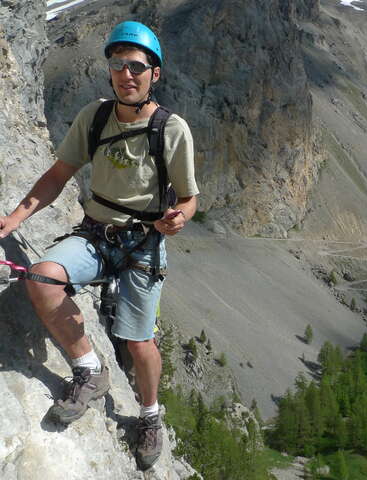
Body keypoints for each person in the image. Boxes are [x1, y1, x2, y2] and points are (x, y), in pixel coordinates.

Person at [0, 21, 198, 470]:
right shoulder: (95, 117)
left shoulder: (171, 129)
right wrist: (14, 219)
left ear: (154, 74)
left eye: (136, 66)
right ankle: (89, 369)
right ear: (109, 71)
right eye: (117, 65)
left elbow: (189, 197)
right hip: (96, 233)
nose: (126, 74)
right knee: (43, 279)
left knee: (139, 341)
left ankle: (149, 417)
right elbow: (57, 176)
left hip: (144, 244)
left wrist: (179, 218)